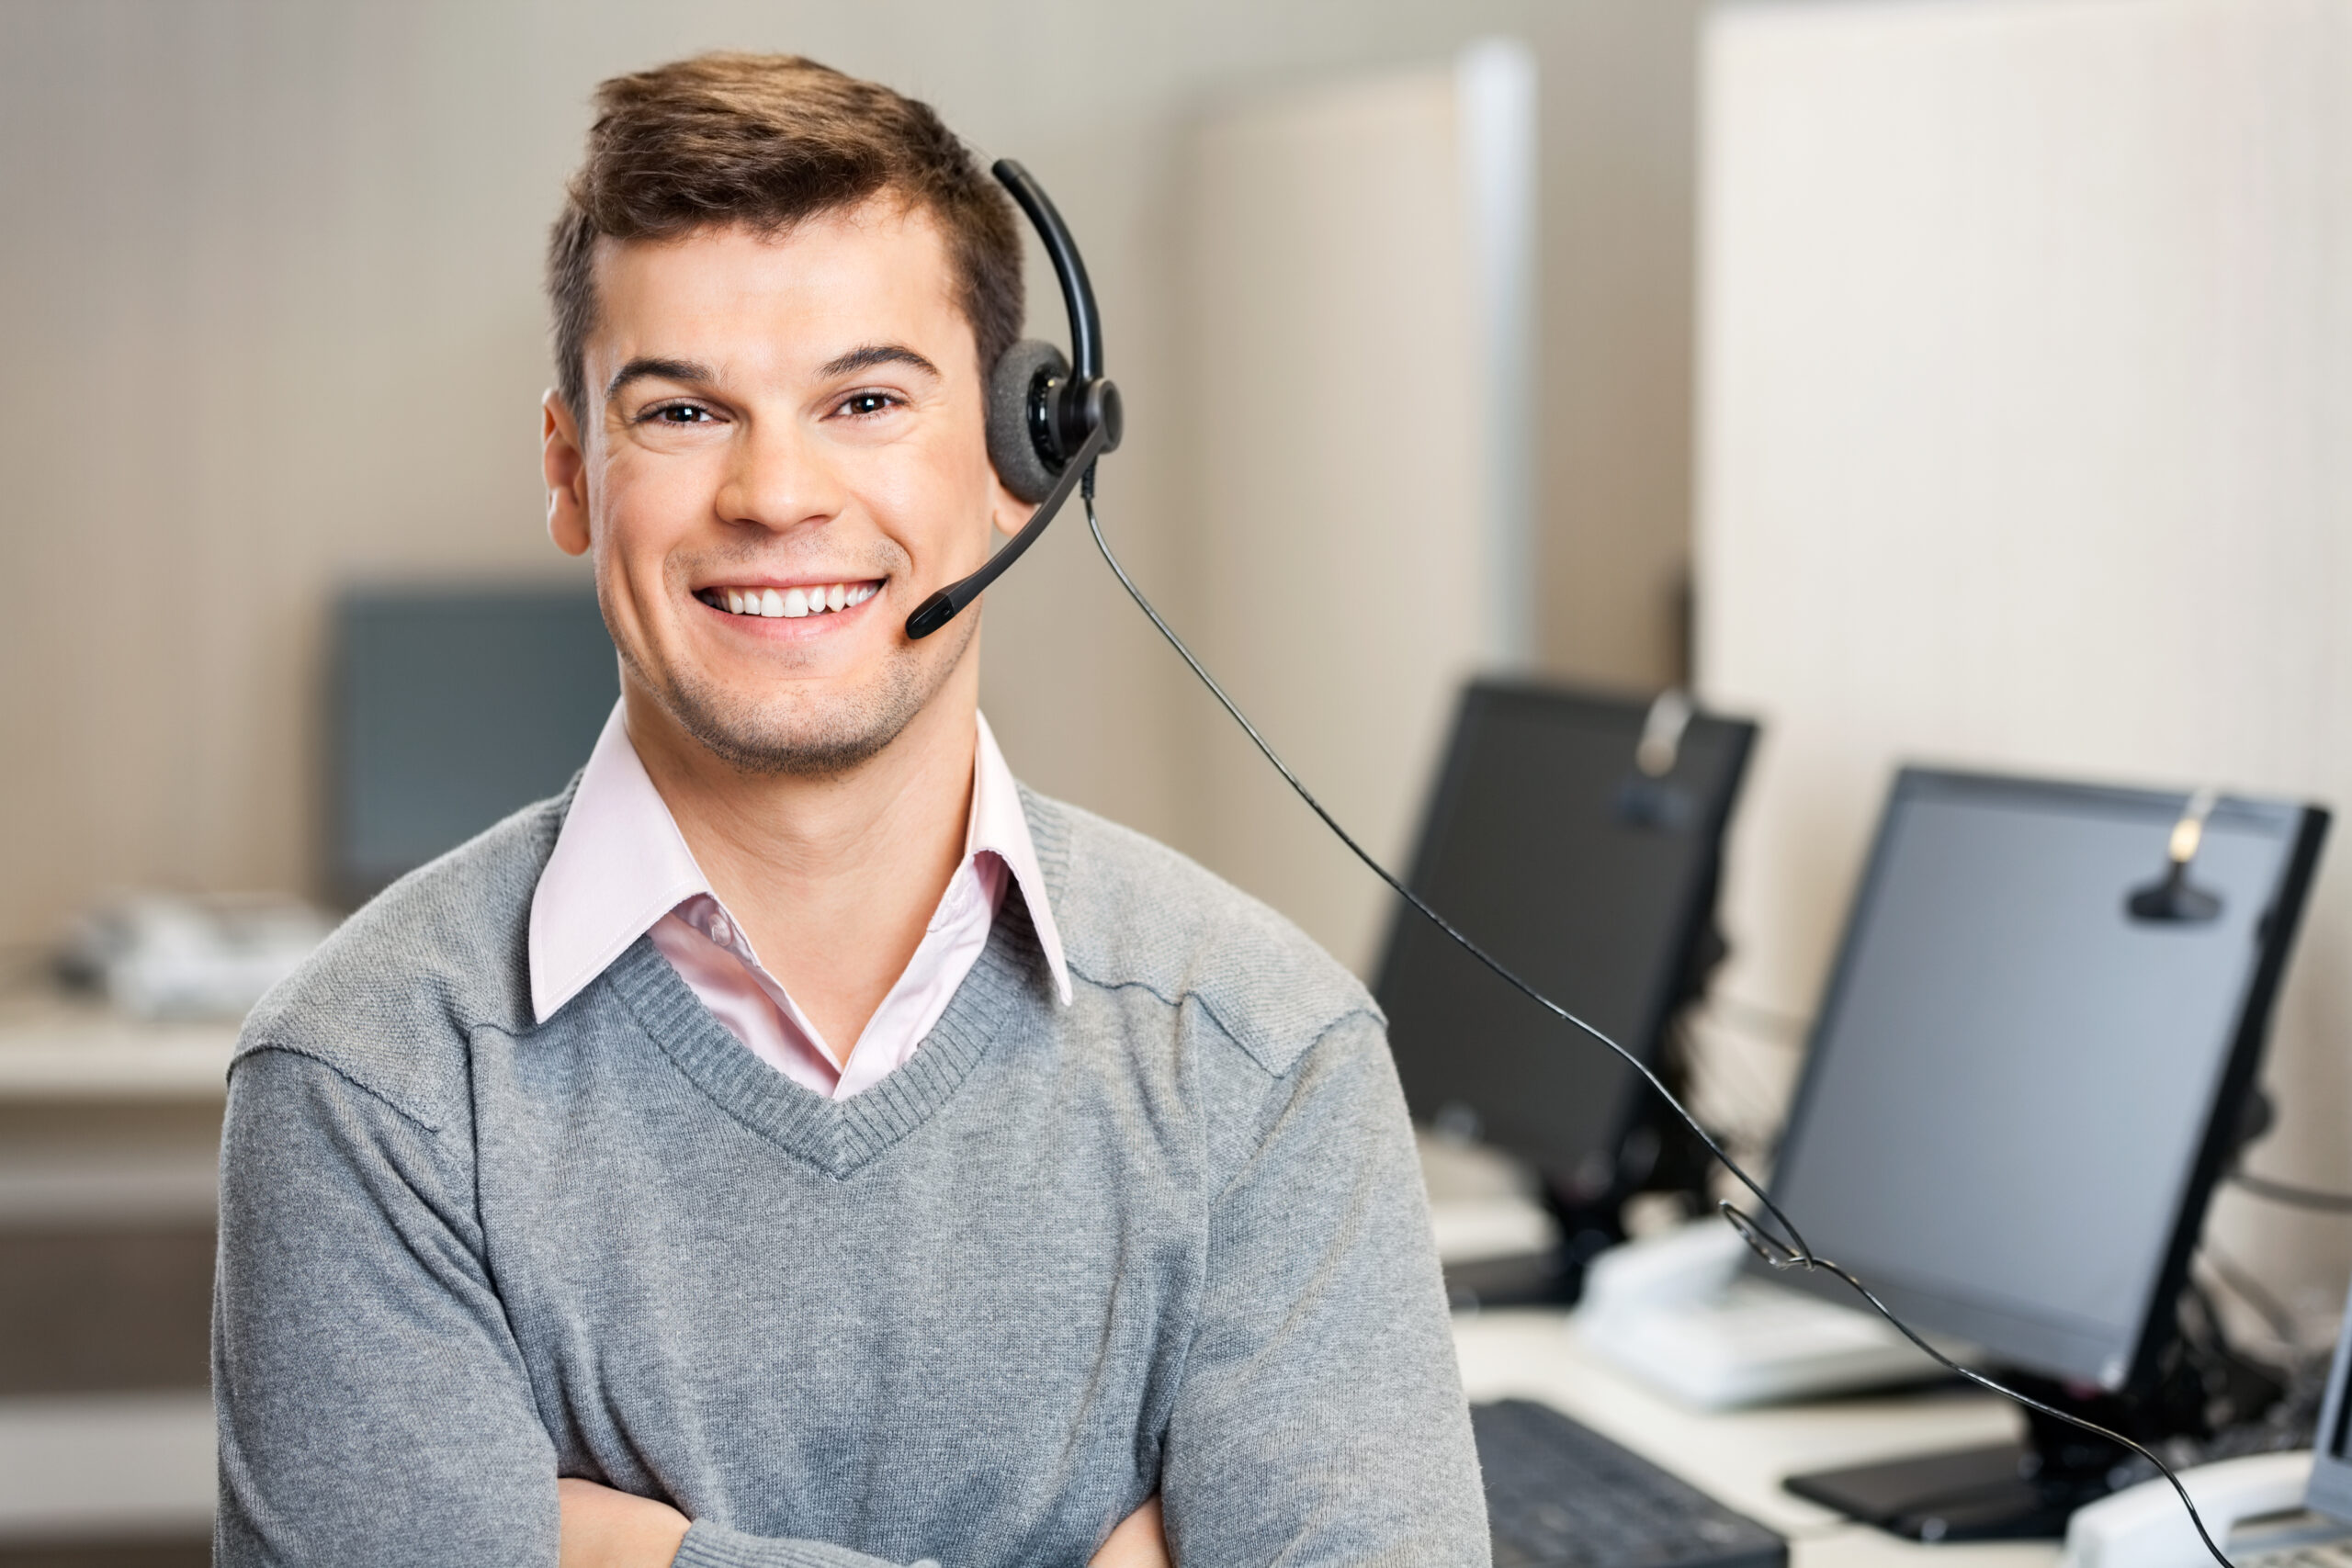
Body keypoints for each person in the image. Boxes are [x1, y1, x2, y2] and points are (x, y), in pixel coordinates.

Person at [211, 51, 1486, 1568]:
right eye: (683, 413)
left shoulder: (1268, 1056)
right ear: (572, 474)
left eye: (867, 400)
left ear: (1030, 458)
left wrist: (614, 1551)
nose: (776, 493)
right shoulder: (365, 1082)